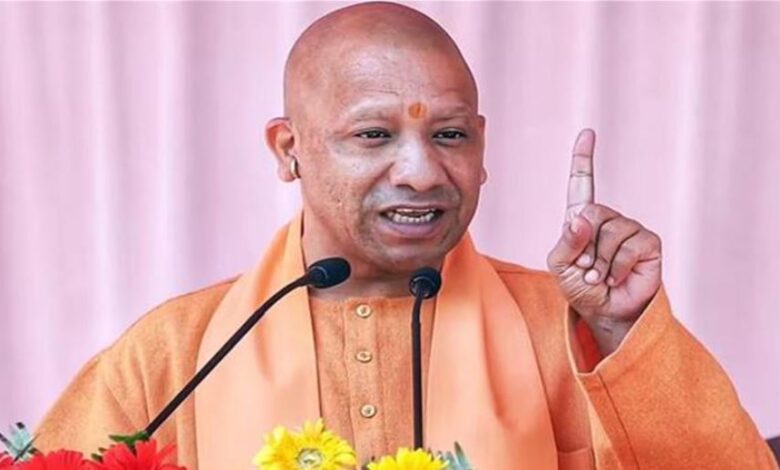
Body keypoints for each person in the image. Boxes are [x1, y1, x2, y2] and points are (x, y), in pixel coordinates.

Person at [36, 2, 776, 469]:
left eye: (449, 135)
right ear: (289, 150)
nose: (421, 174)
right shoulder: (175, 353)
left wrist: (619, 335)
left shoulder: (565, 329)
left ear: (482, 148)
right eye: (374, 135)